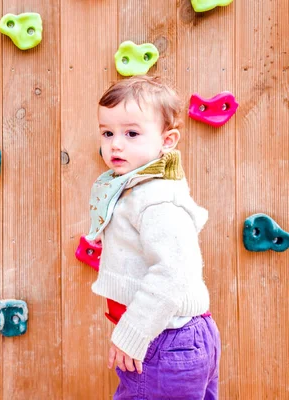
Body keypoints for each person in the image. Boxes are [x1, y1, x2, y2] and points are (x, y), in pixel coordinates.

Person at [87, 75, 221, 399]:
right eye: (108, 133)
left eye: (131, 133)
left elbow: (173, 274)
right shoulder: (138, 188)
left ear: (167, 141)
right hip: (175, 334)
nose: (115, 144)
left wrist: (132, 332)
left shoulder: (157, 200)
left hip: (165, 338)